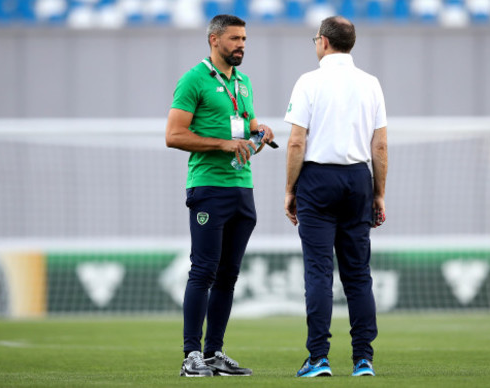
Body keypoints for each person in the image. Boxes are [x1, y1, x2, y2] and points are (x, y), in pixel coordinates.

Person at [165, 14, 275, 377]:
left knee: (229, 275)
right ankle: (191, 355)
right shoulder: (193, 79)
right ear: (214, 40)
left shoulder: (243, 83)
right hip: (209, 188)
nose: (241, 44)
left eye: (244, 39)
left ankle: (214, 353)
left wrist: (259, 136)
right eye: (234, 39)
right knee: (204, 271)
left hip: (242, 189)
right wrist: (223, 143)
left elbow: (249, 137)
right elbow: (174, 135)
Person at [283, 16, 388, 378]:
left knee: (319, 273)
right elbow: (380, 145)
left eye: (315, 39)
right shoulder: (371, 83)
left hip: (317, 178)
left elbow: (297, 141)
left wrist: (289, 189)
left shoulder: (309, 82)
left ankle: (318, 358)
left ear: (324, 42)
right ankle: (363, 359)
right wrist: (379, 194)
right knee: (358, 275)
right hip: (359, 177)